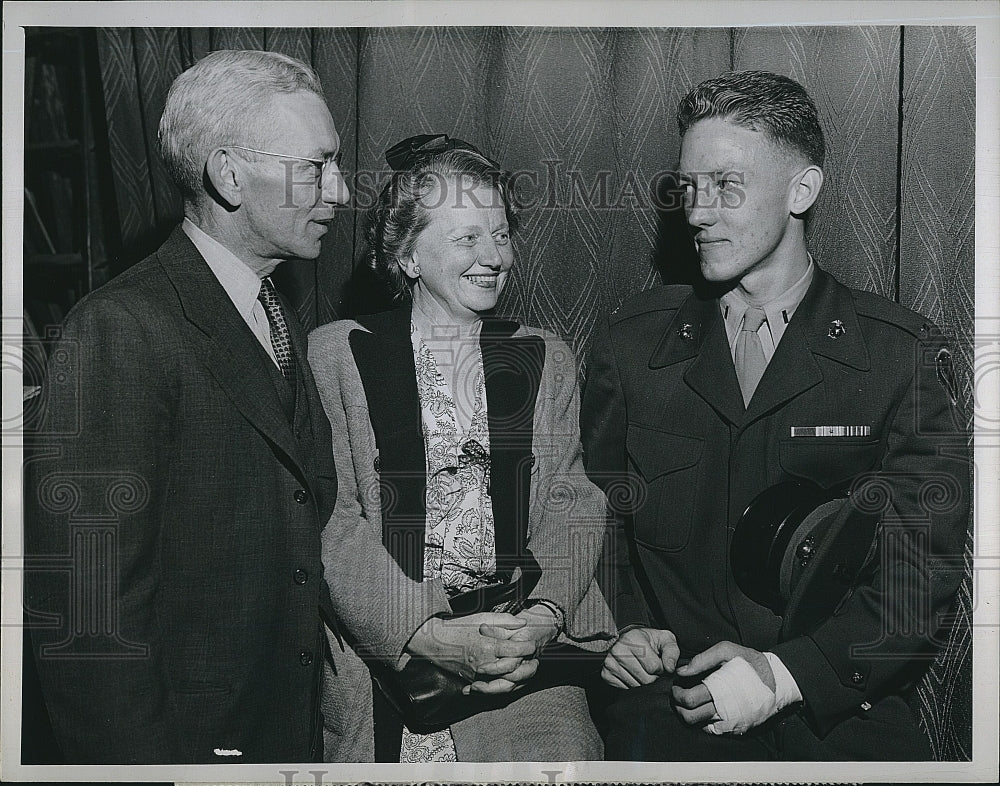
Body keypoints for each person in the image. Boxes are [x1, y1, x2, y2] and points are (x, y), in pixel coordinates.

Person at [581, 71, 969, 760]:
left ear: (802, 190)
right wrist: (618, 630)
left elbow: (917, 585)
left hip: (835, 702)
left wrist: (783, 676)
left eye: (726, 186)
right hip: (673, 699)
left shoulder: (899, 357)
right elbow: (596, 520)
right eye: (688, 188)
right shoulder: (631, 344)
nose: (698, 213)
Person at [25, 49, 359, 764]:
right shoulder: (119, 328)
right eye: (317, 166)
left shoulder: (274, 312)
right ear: (229, 174)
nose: (341, 191)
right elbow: (91, 619)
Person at [308, 134, 616, 762]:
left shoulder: (543, 356)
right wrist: (424, 633)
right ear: (407, 254)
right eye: (466, 238)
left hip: (524, 665)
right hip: (390, 672)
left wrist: (544, 618)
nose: (492, 256)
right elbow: (332, 517)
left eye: (501, 235)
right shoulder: (336, 354)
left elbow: (573, 500)